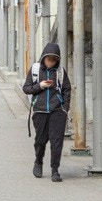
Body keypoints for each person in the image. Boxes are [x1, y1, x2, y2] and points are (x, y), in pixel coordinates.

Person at [24, 41, 70, 182]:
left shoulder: (61, 72)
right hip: (40, 111)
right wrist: (40, 86)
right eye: (49, 59)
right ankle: (38, 161)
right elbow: (26, 88)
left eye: (54, 59)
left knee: (57, 142)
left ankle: (55, 170)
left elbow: (67, 90)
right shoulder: (35, 70)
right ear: (44, 57)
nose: (51, 62)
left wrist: (65, 108)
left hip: (57, 111)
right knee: (40, 141)